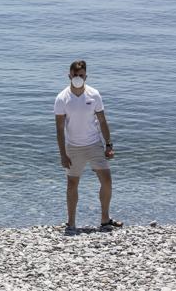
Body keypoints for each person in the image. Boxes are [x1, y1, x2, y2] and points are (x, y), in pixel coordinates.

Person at [54, 60, 122, 232]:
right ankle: (71, 223)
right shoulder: (62, 98)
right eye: (75, 75)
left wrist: (108, 144)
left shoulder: (94, 94)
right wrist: (63, 154)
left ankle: (105, 220)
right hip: (73, 147)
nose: (78, 78)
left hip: (94, 144)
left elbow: (102, 120)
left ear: (86, 76)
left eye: (81, 75)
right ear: (69, 76)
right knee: (72, 185)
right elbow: (60, 129)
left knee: (107, 181)